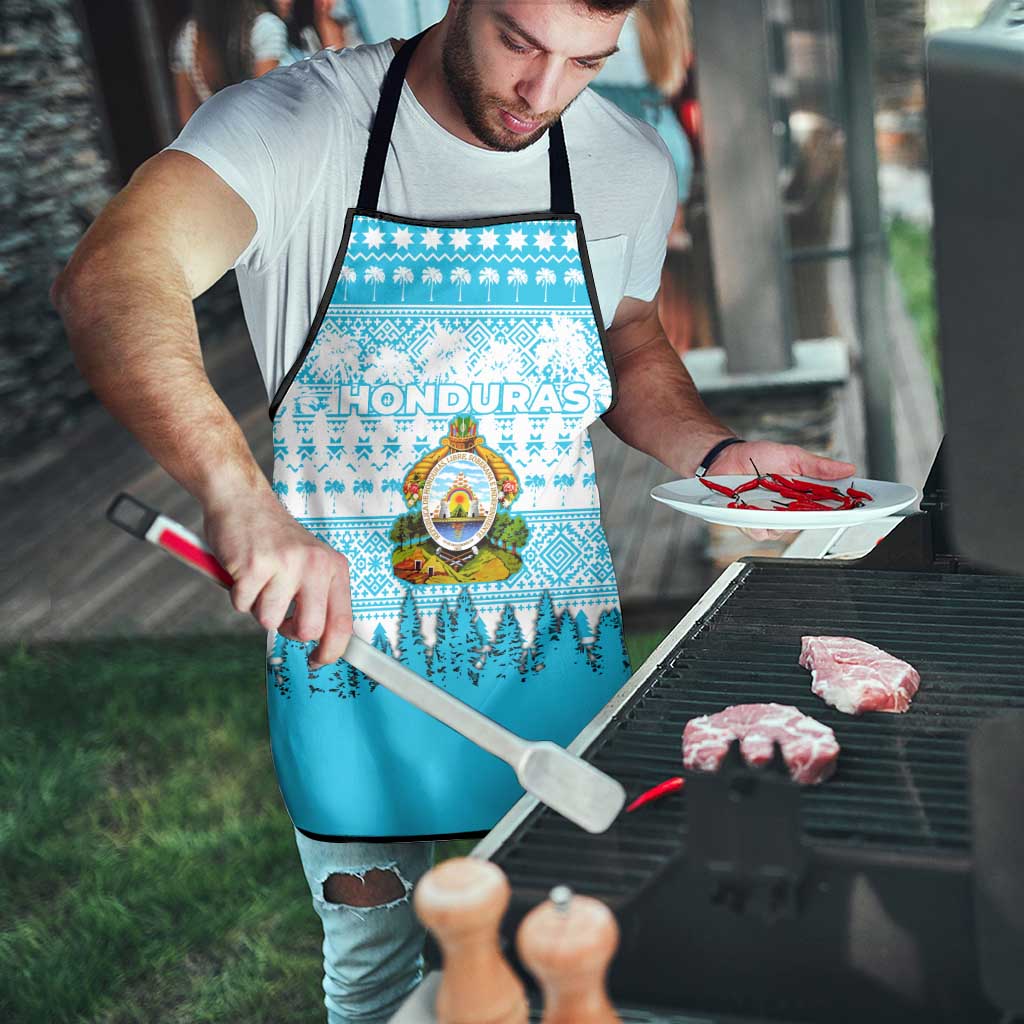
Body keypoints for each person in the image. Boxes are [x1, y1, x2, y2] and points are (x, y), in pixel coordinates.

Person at [53, 2, 856, 1020]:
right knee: (379, 980)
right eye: (521, 42)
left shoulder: (624, 160)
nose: (543, 94)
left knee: (577, 957)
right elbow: (113, 275)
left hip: (551, 654)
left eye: (586, 62)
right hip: (353, 663)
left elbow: (628, 338)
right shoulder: (297, 125)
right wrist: (236, 495)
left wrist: (717, 448)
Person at [170, 0, 289, 127]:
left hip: (215, 139)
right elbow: (266, 107)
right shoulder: (266, 27)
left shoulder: (188, 36)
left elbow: (187, 119)